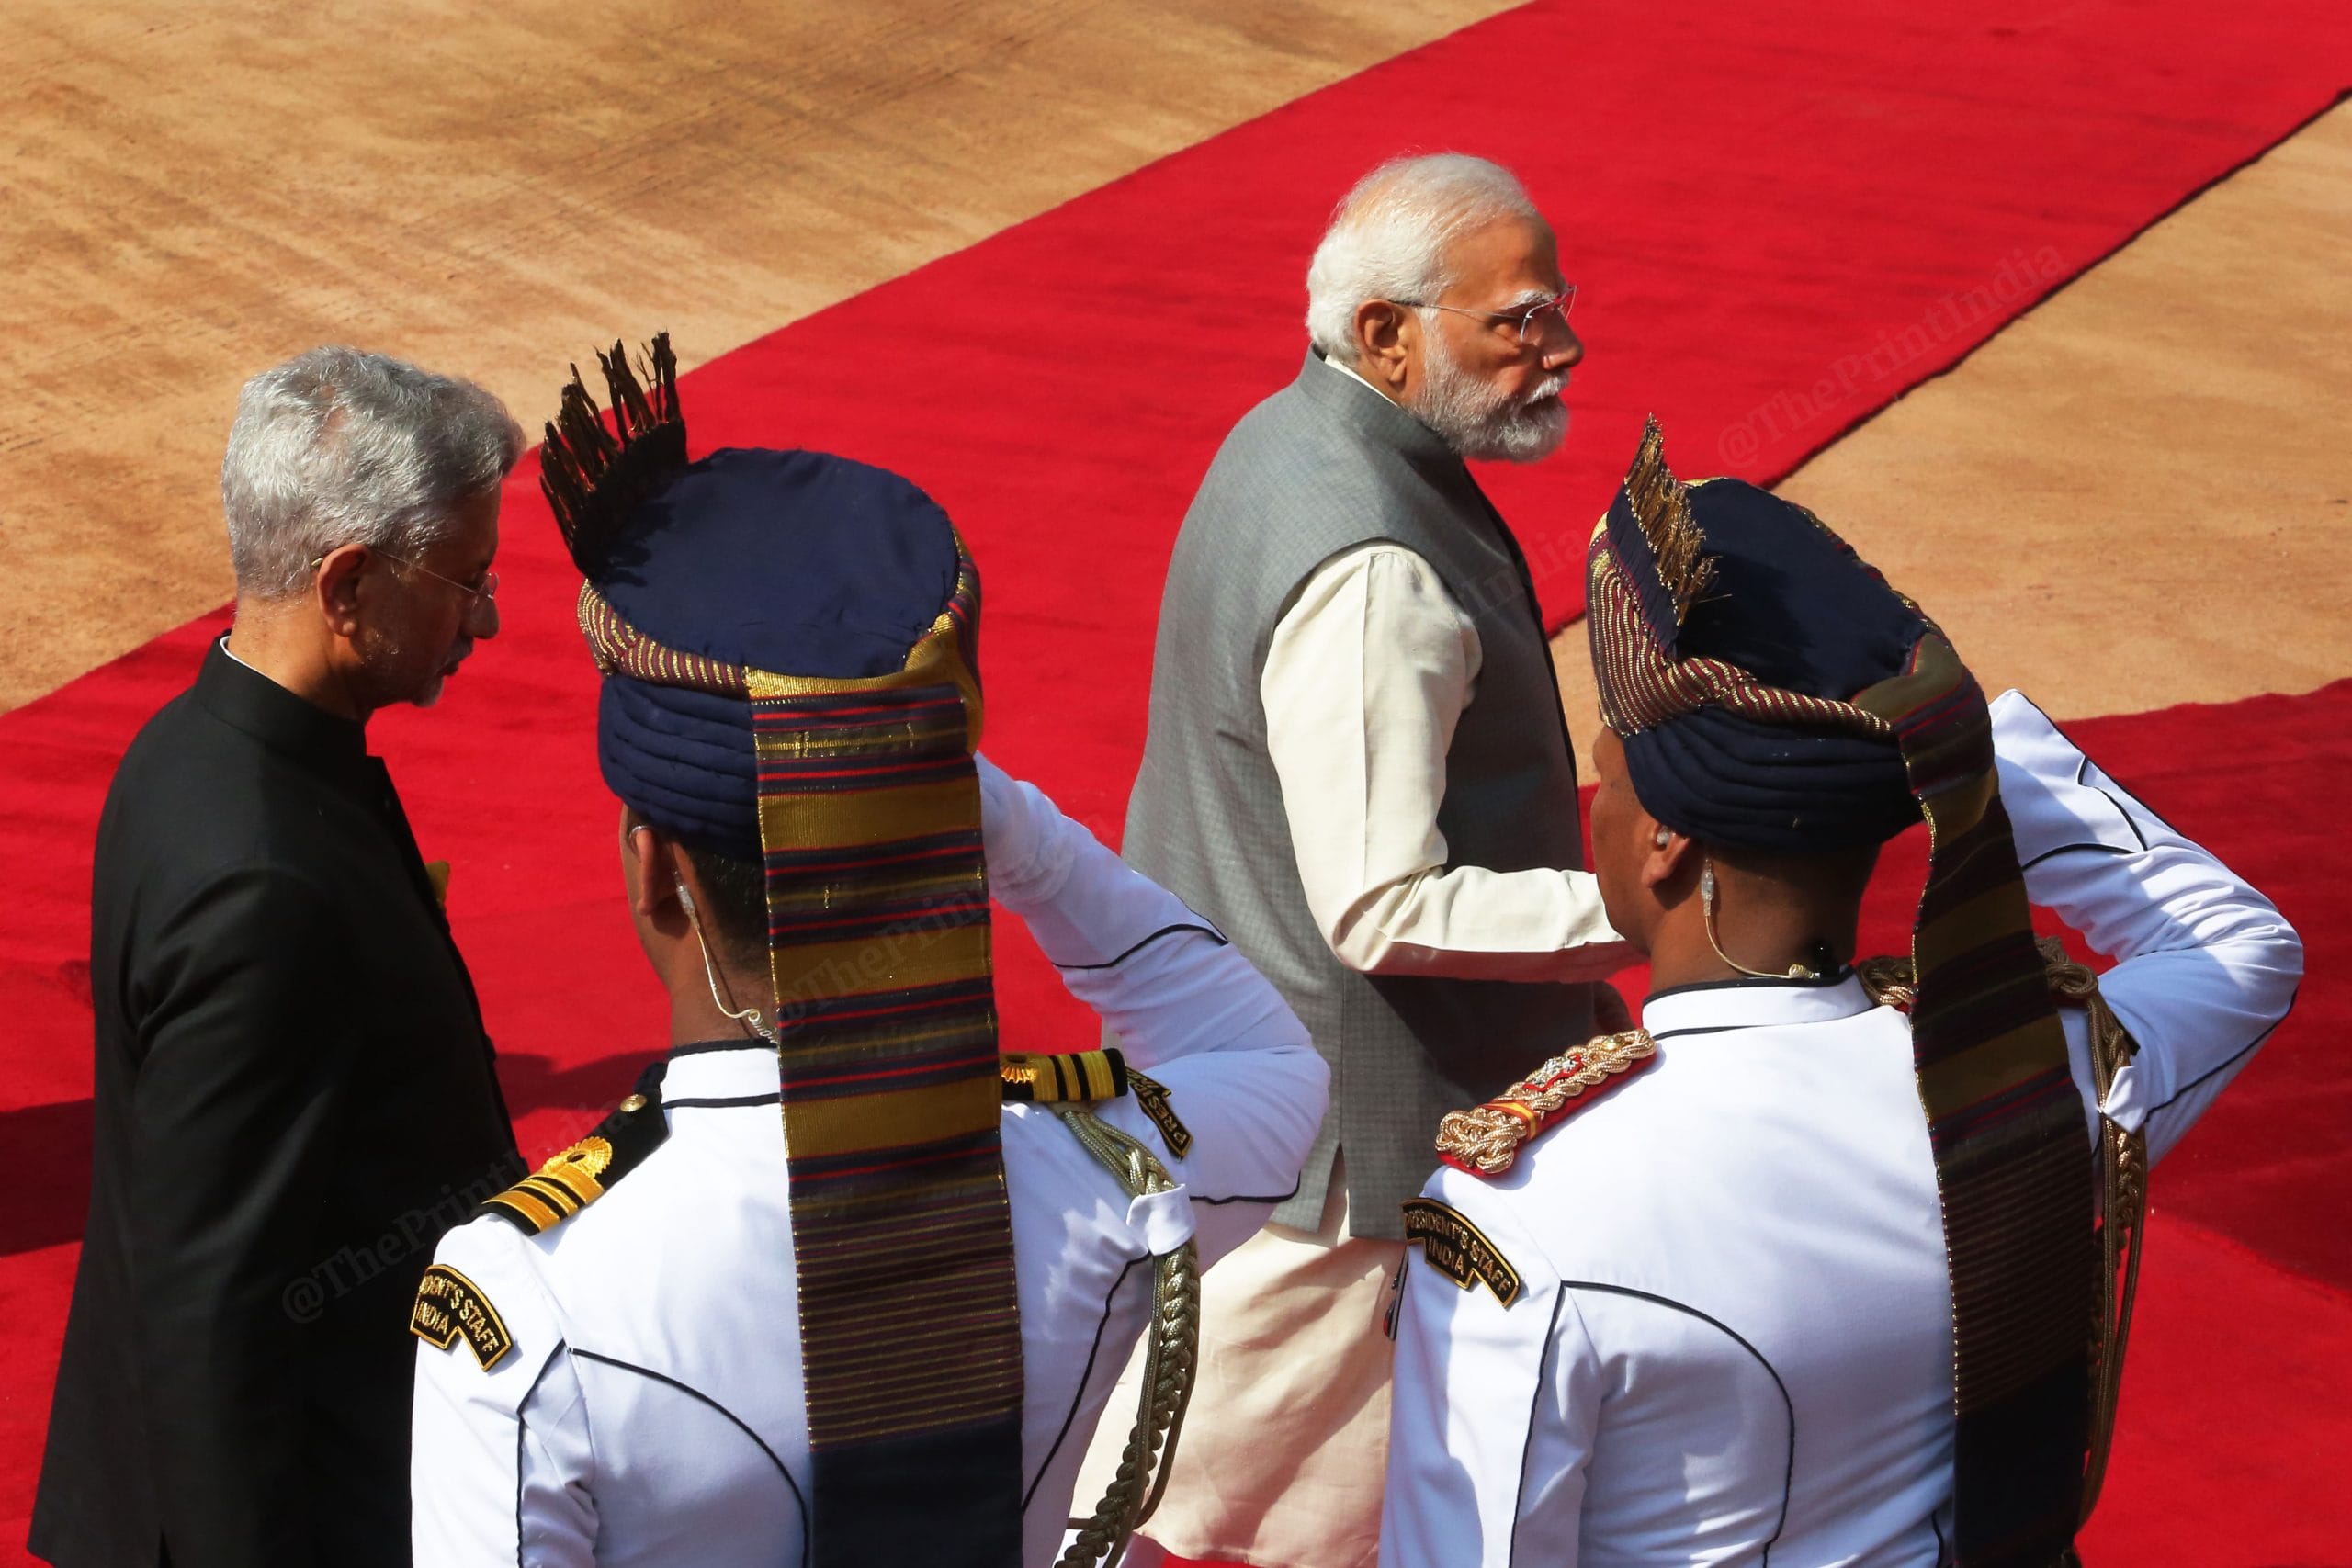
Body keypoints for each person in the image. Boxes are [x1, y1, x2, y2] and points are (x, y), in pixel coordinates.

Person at [407, 338, 1328, 1568]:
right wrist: (975, 805)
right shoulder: (1098, 1179)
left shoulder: (526, 1293)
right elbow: (1259, 1050)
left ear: (655, 872)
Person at [1379, 422, 2303, 1565]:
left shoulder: (1527, 1205)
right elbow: (2236, 947)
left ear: (1665, 841)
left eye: (1608, 776)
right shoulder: (2028, 1073)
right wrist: (1946, 751)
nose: (1596, 807)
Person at [1083, 153, 1630, 1565]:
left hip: (1244, 1086)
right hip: (1343, 1159)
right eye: (1516, 319)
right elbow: (1381, 901)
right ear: (1387, 333)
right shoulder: (1378, 562)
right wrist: (1636, 909)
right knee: (1162, 1514)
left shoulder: (1287, 435)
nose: (1561, 347)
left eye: (1557, 305)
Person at [30, 347, 527, 1568]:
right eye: (465, 578)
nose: (488, 615)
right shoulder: (268, 882)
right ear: (349, 580)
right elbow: (215, 1312)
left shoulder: (189, 749)